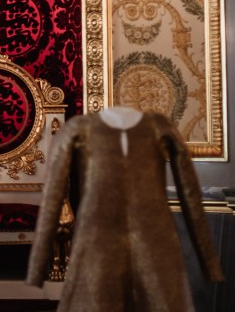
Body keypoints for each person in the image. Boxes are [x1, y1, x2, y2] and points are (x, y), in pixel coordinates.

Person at [26, 107, 223, 311]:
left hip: (151, 237)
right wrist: (37, 266)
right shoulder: (79, 128)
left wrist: (210, 263)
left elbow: (190, 195)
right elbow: (53, 197)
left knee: (158, 299)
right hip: (100, 237)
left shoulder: (159, 126)